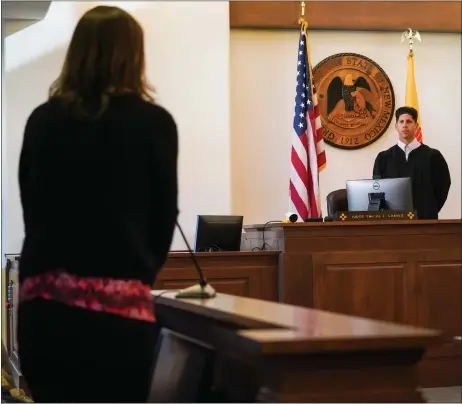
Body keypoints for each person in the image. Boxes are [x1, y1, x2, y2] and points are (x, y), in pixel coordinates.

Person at [17, 5, 178, 402]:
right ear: (133, 57)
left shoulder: (42, 121)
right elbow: (163, 219)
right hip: (119, 315)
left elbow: (31, 208)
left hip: (45, 309)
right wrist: (133, 273)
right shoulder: (154, 124)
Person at [373, 106, 450, 219]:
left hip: (425, 220)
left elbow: (443, 186)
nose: (405, 125)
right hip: (393, 222)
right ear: (396, 126)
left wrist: (430, 209)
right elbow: (377, 188)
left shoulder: (433, 156)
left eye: (409, 121)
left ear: (416, 126)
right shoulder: (383, 158)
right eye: (401, 122)